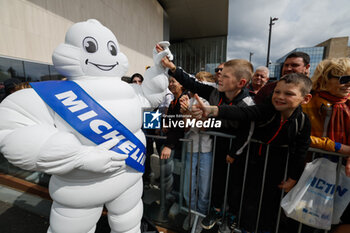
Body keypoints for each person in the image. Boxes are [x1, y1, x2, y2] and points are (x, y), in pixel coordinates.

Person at [192, 73, 313, 232]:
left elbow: (301, 150)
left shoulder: (303, 122)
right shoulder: (266, 110)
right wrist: (213, 110)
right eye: (277, 92)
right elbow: (243, 113)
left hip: (277, 169)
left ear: (305, 99)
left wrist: (293, 178)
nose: (280, 97)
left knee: (269, 207)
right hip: (251, 164)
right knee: (245, 200)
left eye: (289, 93)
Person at [160, 54, 255, 230]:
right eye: (220, 73)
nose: (219, 76)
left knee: (232, 186)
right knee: (214, 184)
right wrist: (172, 67)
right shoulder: (214, 92)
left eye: (225, 75)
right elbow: (192, 84)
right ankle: (207, 213)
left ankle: (229, 218)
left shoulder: (247, 102)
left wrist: (234, 152)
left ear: (241, 83)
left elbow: (246, 131)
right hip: (216, 148)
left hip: (236, 153)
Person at [302, 57, 350, 231]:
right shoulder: (309, 103)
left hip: (344, 173)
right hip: (314, 169)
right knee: (308, 219)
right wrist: (337, 147)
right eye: (344, 79)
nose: (348, 84)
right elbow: (301, 136)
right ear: (324, 80)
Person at [179, 86, 213, 230]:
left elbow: (204, 127)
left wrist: (191, 116)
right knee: (188, 187)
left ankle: (200, 216)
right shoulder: (187, 102)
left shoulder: (211, 102)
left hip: (206, 149)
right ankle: (192, 213)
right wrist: (187, 114)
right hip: (190, 149)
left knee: (204, 188)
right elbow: (186, 128)